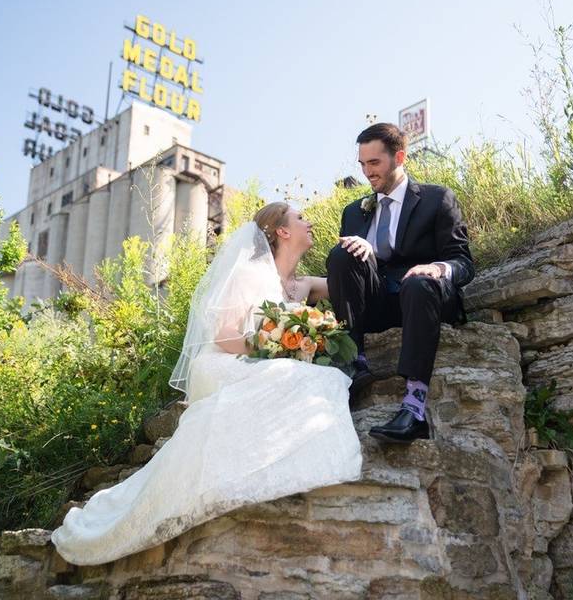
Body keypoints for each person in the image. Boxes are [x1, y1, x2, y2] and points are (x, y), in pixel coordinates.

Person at [51, 203, 362, 566]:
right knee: (304, 377)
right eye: (301, 218)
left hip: (262, 357)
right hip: (226, 360)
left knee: (320, 376)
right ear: (282, 231)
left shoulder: (302, 283)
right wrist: (274, 345)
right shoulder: (248, 273)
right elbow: (224, 336)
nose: (309, 222)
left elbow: (347, 289)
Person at [327, 122, 474, 444]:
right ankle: (355, 363)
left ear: (399, 157)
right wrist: (366, 254)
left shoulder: (437, 199)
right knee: (342, 254)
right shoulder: (355, 211)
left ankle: (414, 408)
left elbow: (464, 263)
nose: (367, 172)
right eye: (362, 164)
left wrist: (436, 268)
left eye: (374, 163)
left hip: (424, 299)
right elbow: (352, 274)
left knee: (418, 283)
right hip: (380, 304)